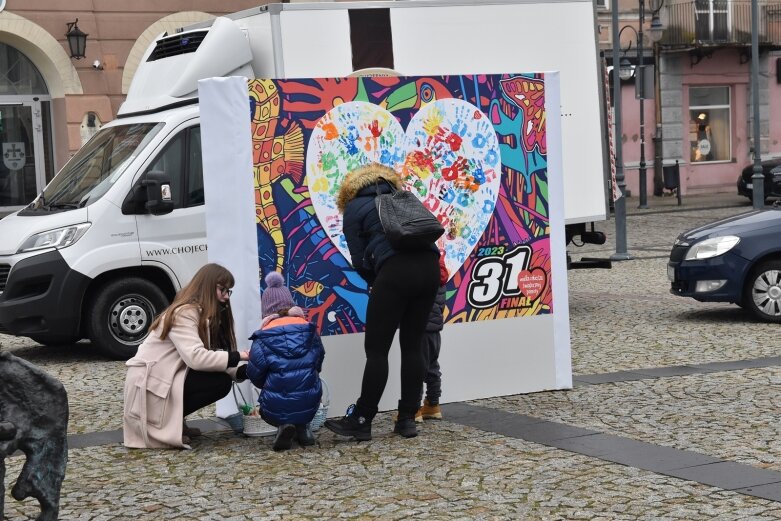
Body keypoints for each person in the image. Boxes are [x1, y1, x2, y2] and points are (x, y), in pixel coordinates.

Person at [324, 163, 440, 440]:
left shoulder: (354, 208)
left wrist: (377, 280)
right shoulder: (404, 197)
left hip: (395, 273)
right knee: (413, 346)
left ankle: (362, 420)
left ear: (351, 188)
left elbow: (358, 257)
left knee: (377, 350)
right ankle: (407, 419)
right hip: (430, 270)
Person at [123, 263, 249, 449]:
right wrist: (241, 356)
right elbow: (197, 358)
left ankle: (173, 422)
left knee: (220, 381)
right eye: (222, 289)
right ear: (207, 286)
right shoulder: (185, 313)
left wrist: (245, 371)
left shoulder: (197, 313)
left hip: (162, 380)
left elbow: (210, 357)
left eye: (228, 291)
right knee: (219, 383)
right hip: (149, 386)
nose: (226, 296)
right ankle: (165, 425)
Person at [246, 272, 325, 451]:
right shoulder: (308, 329)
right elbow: (319, 362)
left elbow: (255, 374)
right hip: (310, 400)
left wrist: (268, 383)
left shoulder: (263, 336)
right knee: (305, 388)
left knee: (275, 398)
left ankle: (283, 426)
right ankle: (304, 429)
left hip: (275, 405)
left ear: (266, 310)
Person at [417, 254, 448, 422]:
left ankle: (414, 408)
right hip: (435, 328)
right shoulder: (439, 272)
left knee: (416, 367)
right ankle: (433, 404)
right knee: (432, 366)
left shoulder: (423, 269)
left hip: (420, 326)